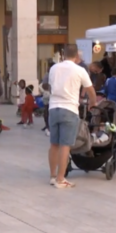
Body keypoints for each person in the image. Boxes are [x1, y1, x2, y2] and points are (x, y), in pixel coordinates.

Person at [47, 45, 96, 189]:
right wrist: (92, 103)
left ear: (63, 54)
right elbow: (90, 90)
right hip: (69, 109)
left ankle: (52, 176)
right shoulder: (80, 70)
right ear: (77, 56)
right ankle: (61, 179)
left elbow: (50, 86)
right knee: (65, 145)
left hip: (53, 108)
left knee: (54, 144)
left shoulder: (54, 68)